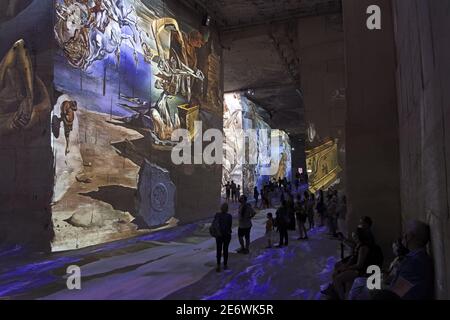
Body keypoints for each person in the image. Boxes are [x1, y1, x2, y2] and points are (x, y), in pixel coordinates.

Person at [389, 220, 434, 300]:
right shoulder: (417, 258)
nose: (403, 235)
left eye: (405, 232)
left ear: (410, 236)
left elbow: (396, 293)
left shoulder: (415, 262)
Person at [332, 227, 376, 299]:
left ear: (359, 236)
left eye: (355, 234)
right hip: (354, 268)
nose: (353, 235)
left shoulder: (363, 248)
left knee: (337, 279)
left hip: (360, 271)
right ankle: (340, 294)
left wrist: (346, 268)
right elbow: (352, 252)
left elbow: (359, 265)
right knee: (335, 274)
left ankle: (341, 297)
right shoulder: (359, 245)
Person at [212, 203, 232, 272]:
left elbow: (214, 224)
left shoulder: (217, 215)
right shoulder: (229, 216)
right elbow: (229, 226)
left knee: (219, 250)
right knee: (225, 250)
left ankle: (218, 265)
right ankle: (225, 265)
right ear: (227, 209)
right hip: (226, 235)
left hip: (219, 235)